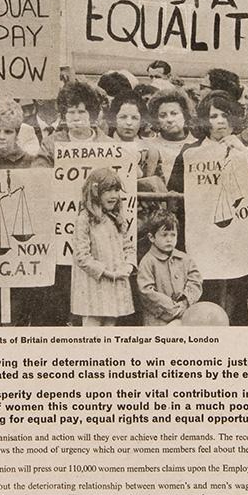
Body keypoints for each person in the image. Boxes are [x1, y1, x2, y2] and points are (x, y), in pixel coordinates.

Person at [168, 91, 248, 326]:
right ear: (205, 120)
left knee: (235, 293)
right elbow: (175, 191)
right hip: (202, 237)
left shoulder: (245, 151)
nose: (219, 121)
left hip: (236, 236)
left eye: (224, 115)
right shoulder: (190, 152)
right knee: (207, 293)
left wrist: (246, 157)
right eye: (213, 116)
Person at [71, 167, 136, 326]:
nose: (113, 195)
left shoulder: (117, 218)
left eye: (116, 190)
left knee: (110, 327)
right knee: (92, 329)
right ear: (95, 192)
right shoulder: (85, 219)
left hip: (115, 284)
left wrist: (127, 266)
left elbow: (128, 246)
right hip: (93, 287)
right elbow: (82, 256)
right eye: (107, 191)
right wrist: (106, 272)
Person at [136, 210, 202, 326]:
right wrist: (173, 309)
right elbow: (146, 291)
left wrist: (185, 302)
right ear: (152, 237)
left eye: (173, 235)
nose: (169, 239)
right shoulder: (148, 262)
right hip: (158, 321)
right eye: (164, 235)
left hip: (184, 315)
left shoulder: (185, 259)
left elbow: (195, 281)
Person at [105, 91, 162, 179]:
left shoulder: (150, 152)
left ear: (141, 121)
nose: (129, 123)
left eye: (134, 118)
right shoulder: (103, 146)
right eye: (123, 117)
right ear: (114, 119)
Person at [148, 87, 197, 184]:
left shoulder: (197, 144)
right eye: (163, 115)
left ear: (185, 115)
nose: (169, 120)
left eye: (174, 114)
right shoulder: (150, 146)